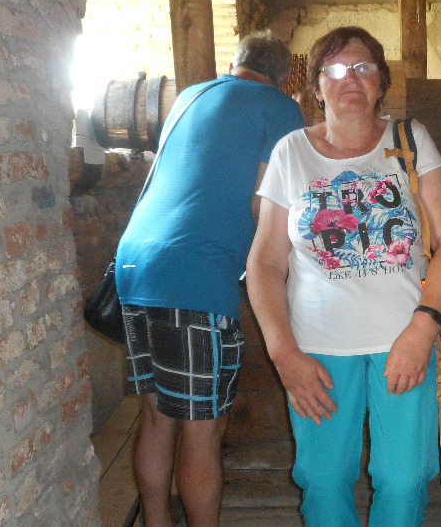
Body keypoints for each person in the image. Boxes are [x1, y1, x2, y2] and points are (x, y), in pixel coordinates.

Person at [245, 26, 441, 526]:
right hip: (316, 352)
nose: (350, 78)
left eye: (364, 67)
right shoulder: (290, 152)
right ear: (315, 86)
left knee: (404, 479)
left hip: (403, 343)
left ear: (380, 81)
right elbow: (264, 263)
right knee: (323, 479)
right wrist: (283, 353)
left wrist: (423, 329)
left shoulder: (410, 141)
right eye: (335, 69)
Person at [114, 30, 304, 526]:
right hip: (194, 273)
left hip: (134, 265)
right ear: (283, 79)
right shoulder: (280, 108)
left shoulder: (189, 96)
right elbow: (264, 204)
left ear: (236, 64)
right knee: (203, 430)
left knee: (157, 416)